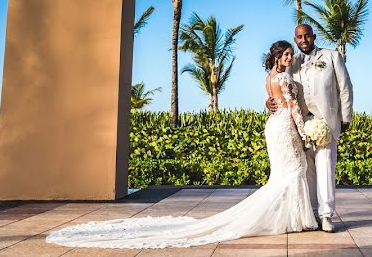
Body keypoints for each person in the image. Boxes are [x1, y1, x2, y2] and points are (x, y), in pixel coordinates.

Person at [46, 40, 317, 249]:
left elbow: (273, 102)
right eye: (286, 55)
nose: (290, 58)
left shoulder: (268, 78)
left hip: (273, 127)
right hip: (284, 126)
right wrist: (304, 132)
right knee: (294, 170)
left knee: (284, 174)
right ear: (277, 57)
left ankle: (291, 217)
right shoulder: (284, 77)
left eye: (291, 55)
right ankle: (295, 218)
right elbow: (292, 107)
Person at [266, 23, 354, 233]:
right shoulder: (290, 61)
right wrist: (267, 102)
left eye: (307, 36)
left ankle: (326, 215)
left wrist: (346, 118)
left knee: (325, 168)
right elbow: (278, 86)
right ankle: (312, 213)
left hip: (327, 122)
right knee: (307, 172)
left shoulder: (332, 56)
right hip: (298, 126)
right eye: (299, 37)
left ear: (313, 37)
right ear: (295, 40)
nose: (303, 40)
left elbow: (345, 87)